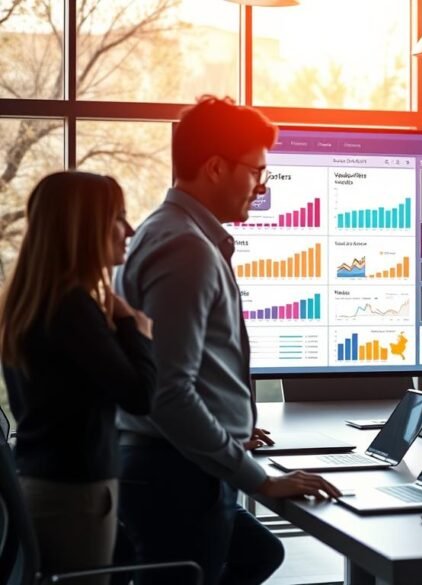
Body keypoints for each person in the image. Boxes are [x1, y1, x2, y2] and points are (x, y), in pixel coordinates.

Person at [115, 96, 340, 585]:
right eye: (256, 171)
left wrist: (227, 423)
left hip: (173, 464)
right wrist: (262, 480)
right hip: (176, 473)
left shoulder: (165, 230)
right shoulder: (186, 249)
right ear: (216, 167)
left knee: (259, 553)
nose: (262, 186)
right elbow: (168, 392)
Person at [0, 172, 155, 583]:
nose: (129, 230)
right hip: (77, 495)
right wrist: (135, 330)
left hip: (45, 484)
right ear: (85, 226)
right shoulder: (72, 309)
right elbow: (139, 397)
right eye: (118, 217)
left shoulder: (33, 303)